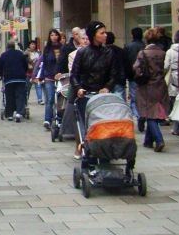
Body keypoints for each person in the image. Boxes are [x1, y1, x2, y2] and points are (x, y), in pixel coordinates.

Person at [70, 21, 120, 160]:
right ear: (93, 35)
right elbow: (74, 74)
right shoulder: (82, 52)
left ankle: (104, 149)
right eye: (102, 33)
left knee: (104, 122)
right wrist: (78, 88)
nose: (105, 35)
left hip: (103, 94)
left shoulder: (109, 52)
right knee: (85, 123)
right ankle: (82, 146)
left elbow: (114, 74)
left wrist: (107, 87)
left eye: (105, 32)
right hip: (86, 94)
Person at [133, 27, 169, 152]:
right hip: (160, 85)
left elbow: (137, 69)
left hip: (147, 86)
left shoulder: (143, 53)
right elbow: (164, 68)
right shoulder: (162, 53)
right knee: (154, 112)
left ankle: (159, 140)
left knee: (149, 115)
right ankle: (148, 141)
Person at [34, 29, 62, 130]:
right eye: (52, 35)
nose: (54, 37)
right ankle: (47, 120)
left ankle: (59, 119)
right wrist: (40, 76)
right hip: (49, 77)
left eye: (55, 35)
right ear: (49, 37)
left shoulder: (62, 48)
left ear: (58, 36)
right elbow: (44, 63)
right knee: (50, 99)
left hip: (60, 77)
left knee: (60, 100)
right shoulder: (47, 49)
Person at [0, 40, 28, 121]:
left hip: (9, 78)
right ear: (14, 46)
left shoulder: (4, 55)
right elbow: (25, 65)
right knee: (20, 95)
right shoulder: (20, 54)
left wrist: (1, 75)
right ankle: (18, 113)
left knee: (9, 96)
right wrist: (24, 72)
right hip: (20, 78)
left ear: (7, 47)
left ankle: (9, 114)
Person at [125, 26, 145, 128]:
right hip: (144, 76)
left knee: (134, 98)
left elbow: (126, 61)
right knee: (143, 97)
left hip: (132, 76)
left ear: (132, 35)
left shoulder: (128, 46)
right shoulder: (145, 46)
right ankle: (142, 114)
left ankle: (138, 114)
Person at [164, 30, 179, 137]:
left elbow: (166, 66)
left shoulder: (170, 52)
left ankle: (177, 128)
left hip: (174, 78)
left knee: (175, 103)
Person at [24, 40, 42, 106]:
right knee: (27, 87)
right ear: (29, 45)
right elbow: (25, 61)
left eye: (34, 44)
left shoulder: (38, 52)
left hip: (36, 73)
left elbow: (40, 61)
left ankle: (40, 99)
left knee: (38, 86)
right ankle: (26, 100)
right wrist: (33, 61)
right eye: (32, 44)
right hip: (29, 73)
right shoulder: (26, 53)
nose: (33, 45)